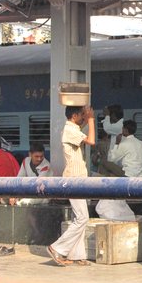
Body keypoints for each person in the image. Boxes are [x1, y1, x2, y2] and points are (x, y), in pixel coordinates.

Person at [47, 105, 95, 267]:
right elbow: (92, 141)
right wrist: (91, 119)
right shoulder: (70, 130)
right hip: (74, 179)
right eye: (81, 115)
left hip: (78, 178)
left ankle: (77, 255)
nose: (83, 118)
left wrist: (86, 119)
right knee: (83, 218)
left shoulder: (72, 128)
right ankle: (56, 247)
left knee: (78, 217)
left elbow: (81, 130)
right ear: (74, 115)